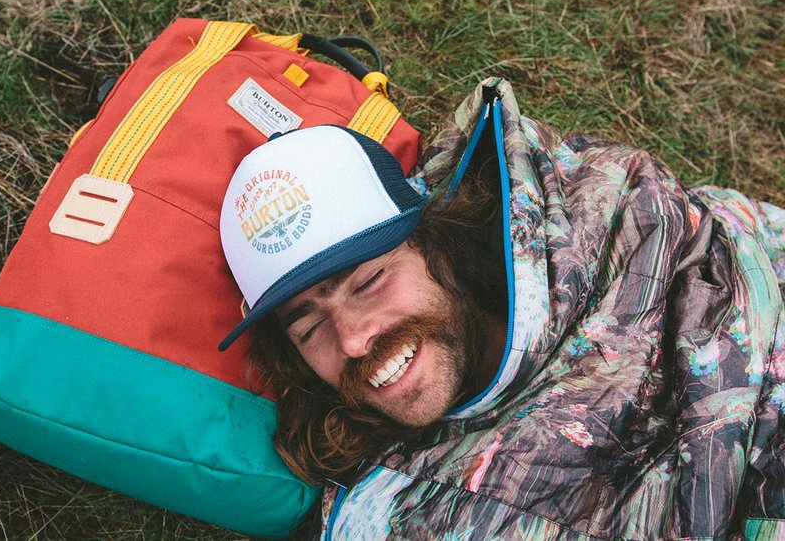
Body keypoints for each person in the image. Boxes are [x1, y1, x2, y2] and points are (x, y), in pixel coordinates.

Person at [218, 79, 785, 539]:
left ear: (434, 242)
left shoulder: (607, 222)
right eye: (309, 327)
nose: (351, 340)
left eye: (368, 281)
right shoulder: (386, 500)